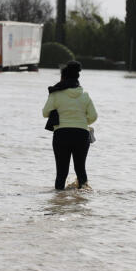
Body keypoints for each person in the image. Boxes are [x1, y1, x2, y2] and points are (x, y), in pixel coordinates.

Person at [42, 61, 98, 190]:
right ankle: (82, 201)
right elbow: (94, 116)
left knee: (61, 172)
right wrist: (82, 122)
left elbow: (45, 113)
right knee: (80, 169)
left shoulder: (55, 94)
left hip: (61, 134)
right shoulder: (85, 95)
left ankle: (58, 203)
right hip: (81, 134)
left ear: (63, 78)